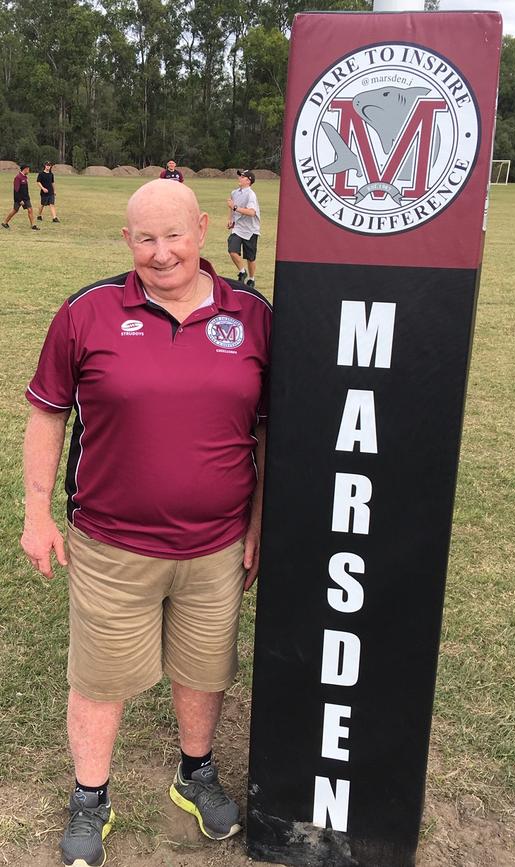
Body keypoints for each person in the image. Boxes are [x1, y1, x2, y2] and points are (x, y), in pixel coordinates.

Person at [21, 179, 272, 867]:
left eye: (173, 235)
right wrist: (36, 514)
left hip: (216, 544)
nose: (162, 254)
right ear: (127, 240)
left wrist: (260, 521)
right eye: (145, 239)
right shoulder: (87, 311)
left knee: (205, 666)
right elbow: (48, 411)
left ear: (202, 228)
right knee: (99, 677)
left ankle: (195, 772)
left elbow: (268, 428)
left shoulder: (253, 315)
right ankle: (90, 795)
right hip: (111, 543)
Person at [227, 170, 260, 289]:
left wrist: (235, 208)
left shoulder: (251, 195)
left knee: (250, 258)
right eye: (240, 176)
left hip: (251, 229)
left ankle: (251, 279)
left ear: (248, 180)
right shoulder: (234, 193)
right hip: (238, 228)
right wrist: (230, 219)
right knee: (232, 250)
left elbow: (251, 212)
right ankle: (242, 272)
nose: (239, 178)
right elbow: (232, 207)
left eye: (242, 176)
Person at [2, 164, 39, 230]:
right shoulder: (18, 177)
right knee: (15, 210)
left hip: (26, 198)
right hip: (19, 198)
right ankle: (5, 222)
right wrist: (20, 200)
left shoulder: (25, 177)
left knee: (30, 210)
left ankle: (33, 225)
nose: (29, 171)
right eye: (28, 169)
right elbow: (16, 190)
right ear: (25, 169)